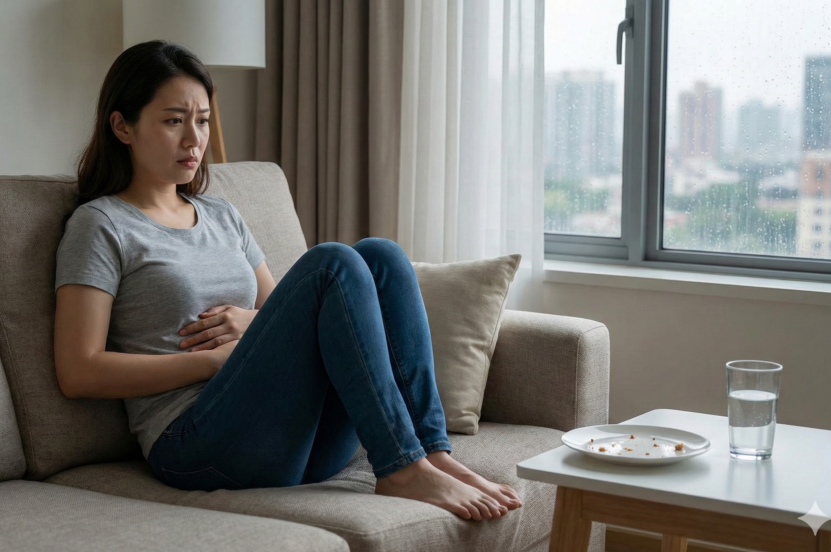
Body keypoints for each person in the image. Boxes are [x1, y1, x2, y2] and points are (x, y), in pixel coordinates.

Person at [52, 40, 522, 522]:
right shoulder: (102, 224)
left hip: (298, 442)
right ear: (122, 126)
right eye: (174, 121)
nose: (195, 140)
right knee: (330, 263)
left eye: (203, 119)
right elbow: (79, 371)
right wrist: (214, 362)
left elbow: (289, 317)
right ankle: (401, 469)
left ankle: (430, 452)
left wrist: (251, 325)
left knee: (380, 255)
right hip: (195, 443)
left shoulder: (220, 213)